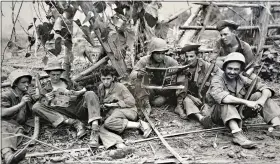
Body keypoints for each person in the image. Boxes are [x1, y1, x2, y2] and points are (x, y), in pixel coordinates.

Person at [207, 52, 280, 149]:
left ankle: (276, 126)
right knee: (226, 102)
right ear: (224, 68)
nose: (232, 72)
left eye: (236, 69)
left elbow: (266, 88)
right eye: (230, 68)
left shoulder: (241, 79)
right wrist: (247, 102)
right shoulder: (217, 78)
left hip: (238, 113)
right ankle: (237, 135)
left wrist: (261, 100)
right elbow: (221, 96)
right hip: (218, 115)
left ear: (241, 70)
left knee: (260, 94)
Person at [32, 59, 101, 147]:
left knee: (90, 93)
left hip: (77, 109)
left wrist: (78, 92)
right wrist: (47, 99)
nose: (56, 77)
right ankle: (74, 123)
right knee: (36, 106)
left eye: (58, 75)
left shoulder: (69, 83)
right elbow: (43, 106)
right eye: (53, 75)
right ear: (48, 74)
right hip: (63, 114)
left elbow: (83, 89)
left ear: (61, 74)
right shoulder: (45, 90)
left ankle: (95, 129)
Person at [97, 65, 152, 155]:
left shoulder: (120, 87)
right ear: (100, 78)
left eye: (108, 78)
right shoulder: (100, 88)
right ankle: (120, 145)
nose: (106, 81)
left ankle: (140, 124)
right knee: (101, 128)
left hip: (128, 111)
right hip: (114, 114)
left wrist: (114, 104)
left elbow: (131, 102)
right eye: (103, 79)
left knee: (108, 122)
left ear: (113, 78)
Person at [175, 44, 222, 128]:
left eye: (191, 56)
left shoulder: (206, 66)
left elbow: (220, 74)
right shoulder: (183, 68)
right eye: (187, 56)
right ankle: (201, 119)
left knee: (209, 110)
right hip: (188, 96)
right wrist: (192, 97)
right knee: (187, 101)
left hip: (205, 96)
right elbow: (180, 89)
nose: (189, 59)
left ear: (198, 56)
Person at [130, 37, 179, 116]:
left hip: (165, 90)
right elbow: (132, 75)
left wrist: (176, 72)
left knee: (181, 78)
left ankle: (174, 103)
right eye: (157, 54)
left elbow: (179, 70)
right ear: (152, 53)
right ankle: (146, 105)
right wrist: (139, 74)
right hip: (150, 90)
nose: (160, 57)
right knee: (140, 80)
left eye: (163, 53)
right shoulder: (144, 60)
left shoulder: (169, 61)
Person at [1, 69, 34, 164]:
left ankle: (11, 155)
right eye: (23, 82)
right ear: (15, 83)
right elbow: (2, 113)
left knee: (15, 134)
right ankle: (7, 156)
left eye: (28, 82)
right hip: (4, 125)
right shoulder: (6, 95)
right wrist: (21, 103)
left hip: (17, 127)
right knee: (4, 132)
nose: (27, 85)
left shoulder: (25, 95)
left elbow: (31, 113)